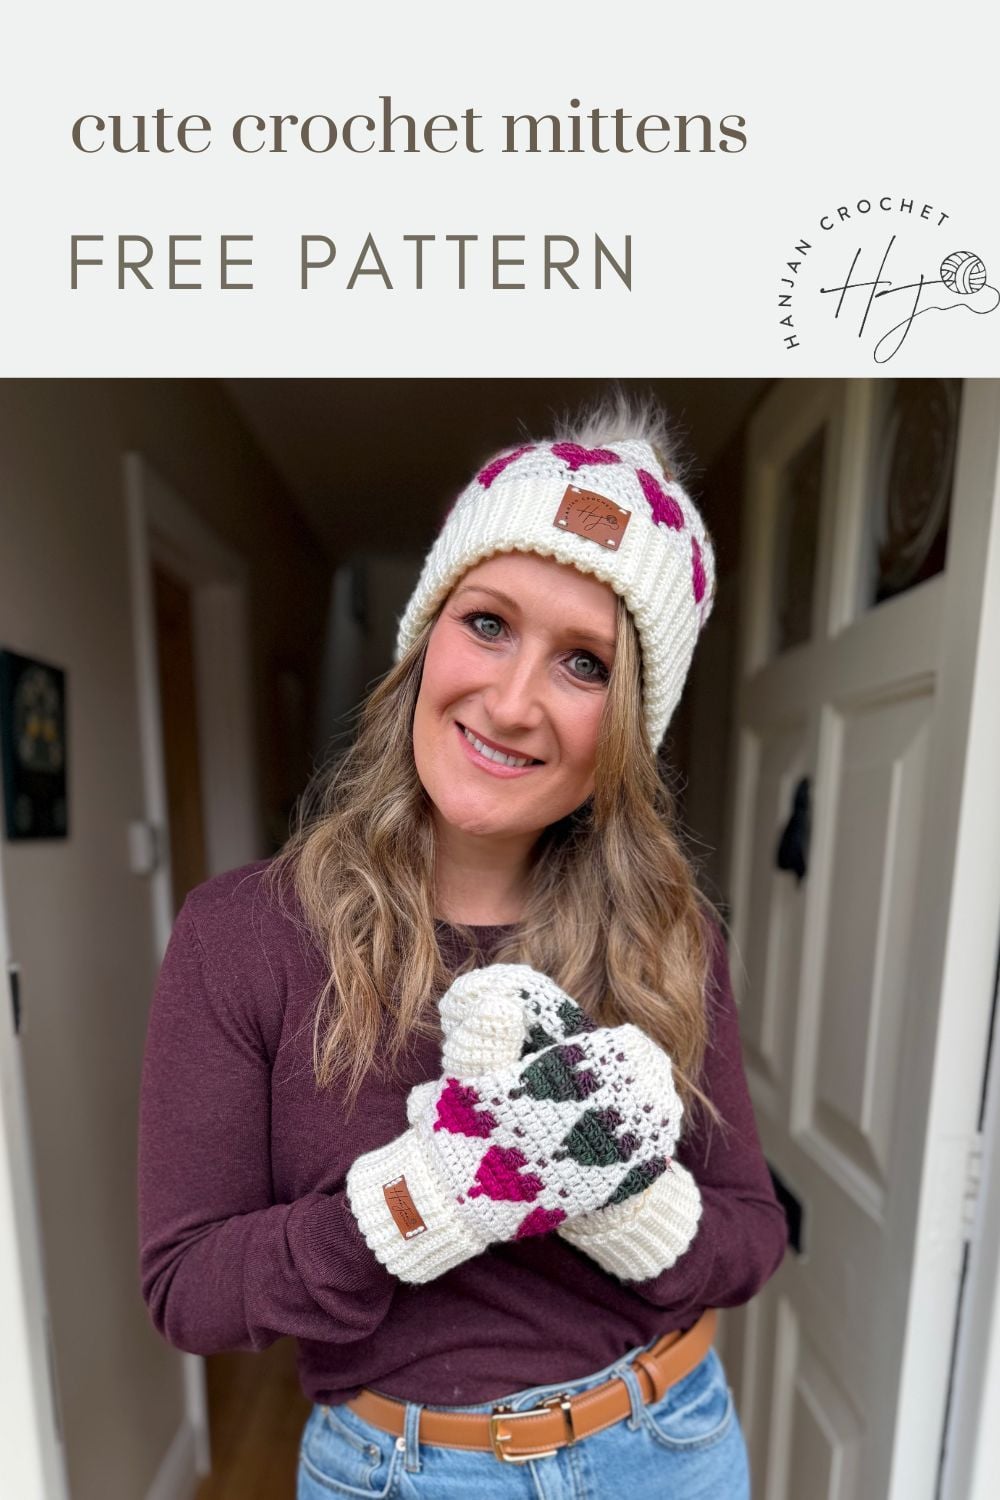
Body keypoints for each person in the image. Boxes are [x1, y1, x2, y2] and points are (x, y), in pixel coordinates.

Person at [138, 391, 789, 1498]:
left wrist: (624, 1197)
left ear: (628, 724)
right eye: (487, 623)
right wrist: (430, 1196)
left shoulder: (664, 935)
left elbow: (751, 1234)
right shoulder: (244, 935)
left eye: (584, 663)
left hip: (669, 1447)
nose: (514, 698)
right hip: (401, 1472)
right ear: (425, 637)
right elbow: (189, 1290)